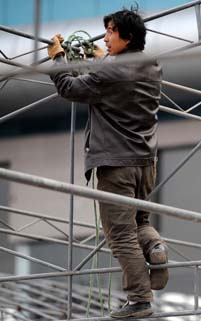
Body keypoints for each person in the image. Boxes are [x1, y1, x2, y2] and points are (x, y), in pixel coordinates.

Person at [47, 8, 168, 318]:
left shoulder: (111, 73)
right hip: (145, 163)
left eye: (112, 31)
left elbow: (69, 88)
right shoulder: (151, 67)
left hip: (117, 165)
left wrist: (58, 59)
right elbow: (113, 73)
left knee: (120, 234)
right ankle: (155, 248)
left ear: (127, 38)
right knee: (138, 223)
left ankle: (139, 299)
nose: (105, 36)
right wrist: (100, 56)